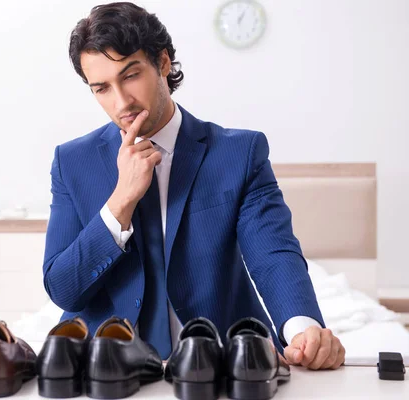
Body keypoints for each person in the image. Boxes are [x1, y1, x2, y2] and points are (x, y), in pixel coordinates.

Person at [42, 2, 344, 370]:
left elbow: (273, 253)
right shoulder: (72, 162)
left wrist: (302, 329)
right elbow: (63, 288)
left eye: (131, 75)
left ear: (163, 63)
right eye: (102, 88)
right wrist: (121, 200)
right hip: (107, 366)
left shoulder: (239, 152)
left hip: (219, 360)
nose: (121, 101)